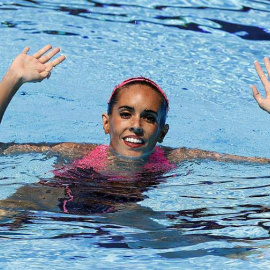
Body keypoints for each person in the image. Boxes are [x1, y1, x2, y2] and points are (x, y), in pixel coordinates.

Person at [0, 44, 269, 173]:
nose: (136, 125)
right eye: (126, 114)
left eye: (149, 118)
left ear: (162, 132)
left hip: (130, 219)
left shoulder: (176, 158)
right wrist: (13, 78)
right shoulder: (74, 153)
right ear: (107, 122)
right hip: (62, 202)